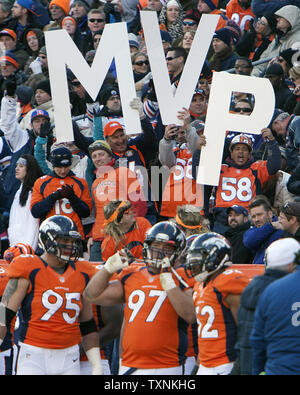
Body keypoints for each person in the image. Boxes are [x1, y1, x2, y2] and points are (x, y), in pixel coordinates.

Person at [84, 221, 196, 375]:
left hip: (167, 366)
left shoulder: (184, 276)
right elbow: (91, 295)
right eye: (155, 246)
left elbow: (191, 315)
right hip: (131, 364)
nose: (159, 252)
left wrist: (170, 284)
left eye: (167, 248)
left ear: (178, 252)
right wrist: (108, 269)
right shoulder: (132, 274)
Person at [0, 215, 103, 375]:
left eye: (72, 241)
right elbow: (4, 314)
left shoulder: (82, 271)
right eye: (64, 240)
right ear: (46, 240)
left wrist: (96, 364)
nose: (70, 245)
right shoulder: (28, 267)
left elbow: (88, 324)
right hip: (33, 354)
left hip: (70, 357)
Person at [185, 232, 250, 375]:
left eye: (200, 257)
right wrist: (198, 365)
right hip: (205, 364)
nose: (195, 262)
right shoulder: (200, 285)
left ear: (218, 257)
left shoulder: (229, 281)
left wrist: (239, 367)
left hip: (226, 363)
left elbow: (246, 330)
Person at [233, 237, 299, 375]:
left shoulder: (252, 289)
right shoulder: (279, 291)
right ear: (292, 264)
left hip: (260, 366)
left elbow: (251, 340)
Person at [193, 131, 282, 234]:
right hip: (223, 220)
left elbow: (275, 165)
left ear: (249, 154)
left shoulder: (256, 169)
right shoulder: (221, 169)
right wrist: (198, 151)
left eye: (244, 149)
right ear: (231, 153)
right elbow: (199, 175)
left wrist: (271, 142)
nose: (241, 152)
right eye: (237, 149)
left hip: (247, 220)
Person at [30, 147, 93, 239]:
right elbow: (35, 212)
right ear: (53, 165)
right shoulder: (41, 182)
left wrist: (73, 198)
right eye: (59, 167)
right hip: (50, 236)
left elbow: (86, 212)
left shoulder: (80, 182)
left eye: (66, 167)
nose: (63, 171)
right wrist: (53, 197)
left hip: (74, 235)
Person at [251, 5, 300, 77]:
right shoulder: (279, 37)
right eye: (277, 17)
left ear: (291, 19)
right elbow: (262, 61)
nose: (277, 19)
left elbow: (292, 70)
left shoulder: (297, 41)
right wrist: (254, 76)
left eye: (281, 17)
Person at [7, 154, 43, 250]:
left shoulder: (32, 193)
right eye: (17, 166)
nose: (17, 169)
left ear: (29, 169)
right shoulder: (19, 191)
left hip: (26, 248)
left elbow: (32, 224)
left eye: (21, 166)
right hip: (16, 247)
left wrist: (28, 249)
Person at [243, 197, 283, 265]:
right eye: (253, 217)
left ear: (270, 214)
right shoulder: (254, 230)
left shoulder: (281, 230)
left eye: (259, 215)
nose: (256, 219)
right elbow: (249, 241)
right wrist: (271, 226)